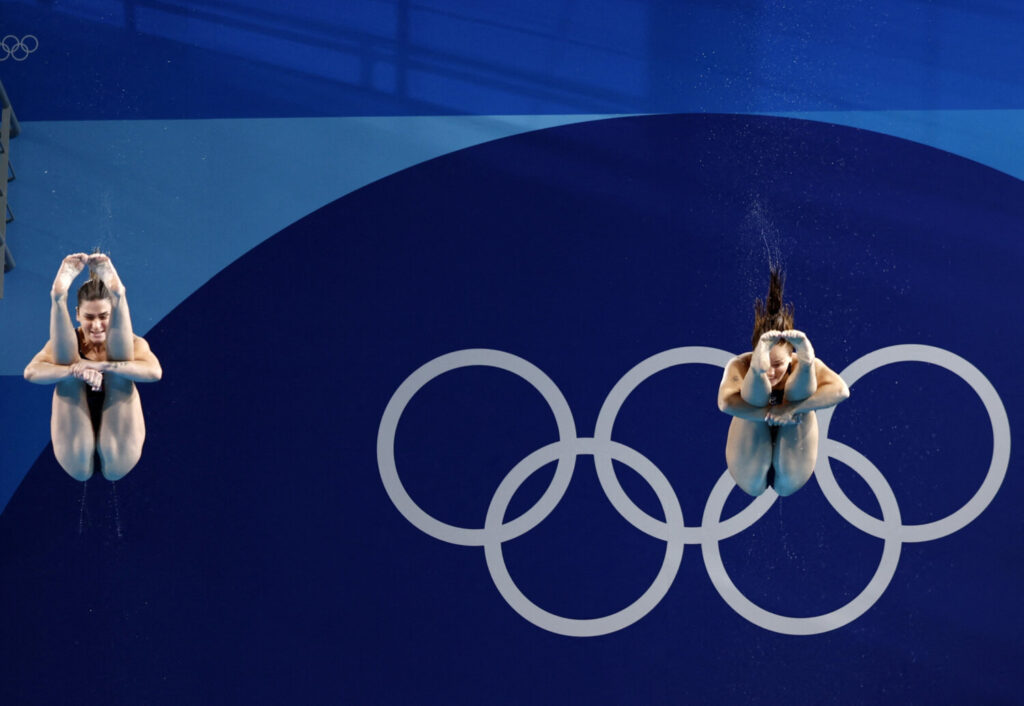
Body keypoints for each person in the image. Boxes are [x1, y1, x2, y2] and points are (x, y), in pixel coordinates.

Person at [24, 253, 162, 481]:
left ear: (113, 315)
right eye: (89, 317)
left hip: (120, 449)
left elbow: (154, 372)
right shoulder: (64, 342)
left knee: (120, 375)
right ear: (77, 314)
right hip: (74, 448)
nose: (96, 325)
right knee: (67, 370)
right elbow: (31, 372)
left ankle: (119, 295)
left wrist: (105, 366)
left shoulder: (135, 343)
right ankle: (58, 299)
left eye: (104, 316)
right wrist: (74, 370)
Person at [717, 268, 849, 496]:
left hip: (793, 458)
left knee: (801, 391)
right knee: (754, 396)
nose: (771, 371)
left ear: (791, 356)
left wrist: (791, 408)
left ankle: (805, 368)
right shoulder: (740, 364)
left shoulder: (800, 363)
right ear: (755, 352)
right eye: (765, 363)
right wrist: (769, 413)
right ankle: (756, 377)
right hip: (749, 463)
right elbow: (725, 404)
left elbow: (841, 391)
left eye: (777, 364)